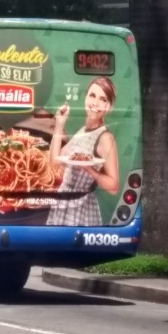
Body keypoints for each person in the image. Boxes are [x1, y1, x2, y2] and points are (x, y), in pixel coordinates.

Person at [46, 76, 119, 226]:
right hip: (63, 203)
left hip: (81, 208)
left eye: (103, 99)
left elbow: (113, 186)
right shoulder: (82, 131)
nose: (95, 103)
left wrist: (89, 169)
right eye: (92, 95)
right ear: (85, 97)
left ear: (109, 107)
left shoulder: (105, 137)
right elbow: (54, 162)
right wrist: (60, 123)